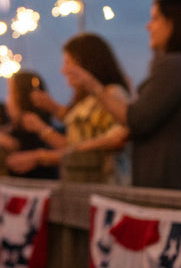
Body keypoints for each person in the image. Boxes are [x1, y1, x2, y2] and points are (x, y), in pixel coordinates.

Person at [83, 0, 181, 192]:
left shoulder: (175, 65)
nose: (148, 26)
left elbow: (136, 119)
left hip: (170, 178)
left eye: (155, 18)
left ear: (173, 24)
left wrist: (94, 87)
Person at [9, 33, 131, 181]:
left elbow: (114, 140)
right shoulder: (86, 100)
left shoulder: (112, 95)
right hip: (80, 182)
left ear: (88, 64)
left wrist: (41, 154)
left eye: (69, 63)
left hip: (104, 184)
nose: (63, 70)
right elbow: (77, 140)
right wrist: (53, 109)